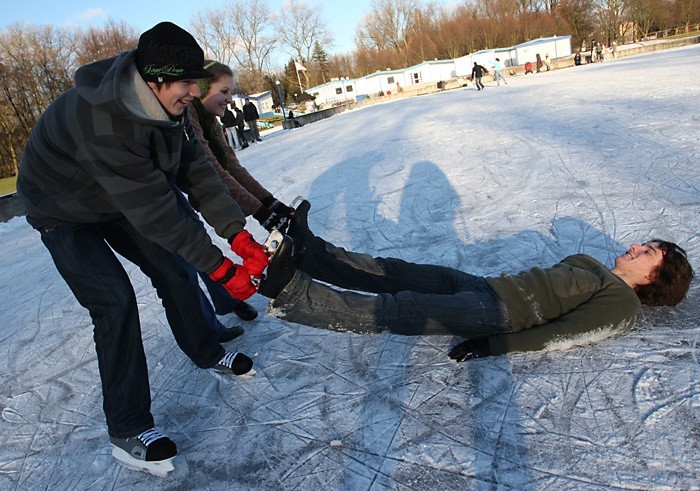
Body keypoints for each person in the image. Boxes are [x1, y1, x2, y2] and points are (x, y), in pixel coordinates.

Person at [17, 22, 271, 476]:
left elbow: (198, 174)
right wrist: (222, 270)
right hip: (61, 208)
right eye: (187, 82)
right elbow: (158, 212)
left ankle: (205, 347)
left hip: (115, 197)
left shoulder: (171, 110)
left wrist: (238, 234)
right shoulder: (102, 122)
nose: (195, 90)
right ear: (155, 81)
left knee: (173, 267)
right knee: (113, 301)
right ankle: (128, 428)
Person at [257, 201, 693, 362]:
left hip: (496, 313)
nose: (635, 246)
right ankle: (311, 252)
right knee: (394, 271)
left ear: (655, 277)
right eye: (644, 244)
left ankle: (291, 294)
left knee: (401, 309)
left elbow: (562, 334)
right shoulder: (592, 265)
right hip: (484, 286)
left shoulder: (622, 304)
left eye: (647, 252)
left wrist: (493, 345)